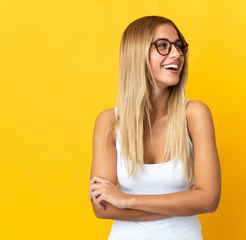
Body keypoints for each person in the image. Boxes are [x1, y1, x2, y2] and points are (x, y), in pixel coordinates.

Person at [89, 15, 221, 240]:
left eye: (179, 46)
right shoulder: (109, 122)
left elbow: (209, 199)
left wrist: (128, 200)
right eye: (163, 46)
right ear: (137, 54)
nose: (177, 54)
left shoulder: (194, 115)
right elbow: (102, 208)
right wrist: (184, 202)